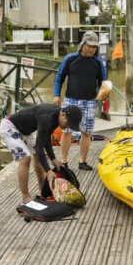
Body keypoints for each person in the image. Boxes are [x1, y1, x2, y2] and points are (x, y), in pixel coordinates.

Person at [0, 103, 82, 203]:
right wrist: (48, 171)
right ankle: (25, 196)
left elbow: (46, 139)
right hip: (9, 127)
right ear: (63, 115)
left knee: (39, 156)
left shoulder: (56, 117)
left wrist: (53, 159)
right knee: (25, 159)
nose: (68, 126)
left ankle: (42, 189)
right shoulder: (47, 118)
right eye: (68, 123)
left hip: (25, 131)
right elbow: (39, 147)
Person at [53, 31, 106, 171]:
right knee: (67, 131)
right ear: (83, 44)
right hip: (71, 100)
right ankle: (64, 161)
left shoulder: (98, 62)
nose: (92, 49)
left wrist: (104, 94)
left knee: (87, 133)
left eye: (94, 47)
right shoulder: (70, 59)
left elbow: (103, 83)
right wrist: (56, 95)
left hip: (90, 101)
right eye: (89, 46)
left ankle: (82, 161)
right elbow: (59, 78)